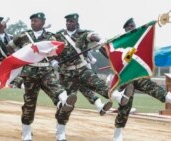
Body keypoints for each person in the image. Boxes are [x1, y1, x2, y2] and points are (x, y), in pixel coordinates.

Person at [54, 13, 134, 141]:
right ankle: (60, 133)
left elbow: (93, 36)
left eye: (71, 21)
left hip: (82, 69)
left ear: (76, 22)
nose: (69, 23)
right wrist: (54, 60)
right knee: (68, 104)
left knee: (98, 83)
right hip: (66, 74)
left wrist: (100, 39)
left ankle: (119, 97)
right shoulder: (58, 35)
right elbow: (52, 48)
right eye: (67, 21)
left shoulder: (83, 34)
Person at [111, 18, 171, 141]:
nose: (133, 28)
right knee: (125, 107)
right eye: (130, 26)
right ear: (125, 28)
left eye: (134, 26)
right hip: (124, 76)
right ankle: (117, 135)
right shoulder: (120, 40)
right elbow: (106, 50)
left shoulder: (139, 41)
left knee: (151, 86)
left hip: (137, 74)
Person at [6, 12, 77, 141]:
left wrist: (54, 59)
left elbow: (59, 50)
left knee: (57, 88)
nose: (33, 22)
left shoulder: (50, 36)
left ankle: (65, 102)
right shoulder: (23, 35)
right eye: (32, 20)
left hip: (45, 69)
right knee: (29, 103)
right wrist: (19, 57)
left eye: (36, 20)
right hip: (30, 71)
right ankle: (26, 133)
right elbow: (9, 47)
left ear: (43, 23)